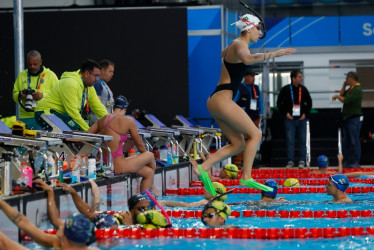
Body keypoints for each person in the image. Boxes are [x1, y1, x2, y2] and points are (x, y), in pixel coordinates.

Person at [193, 13, 295, 195]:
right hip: (222, 100)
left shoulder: (236, 44)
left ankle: (204, 167)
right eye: (258, 29)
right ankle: (246, 176)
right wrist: (277, 53)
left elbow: (222, 53)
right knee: (255, 134)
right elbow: (247, 59)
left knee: (238, 144)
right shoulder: (240, 44)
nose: (260, 32)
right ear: (249, 28)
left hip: (216, 100)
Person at [87, 95, 158, 195]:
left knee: (148, 172)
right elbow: (139, 144)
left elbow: (87, 136)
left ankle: (144, 200)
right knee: (150, 155)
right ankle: (152, 186)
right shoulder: (128, 120)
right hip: (118, 166)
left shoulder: (102, 120)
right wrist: (144, 158)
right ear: (125, 109)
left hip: (105, 164)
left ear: (113, 107)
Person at [35, 59, 108, 132]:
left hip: (59, 113)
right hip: (44, 112)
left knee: (75, 130)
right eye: (96, 75)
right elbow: (73, 113)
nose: (97, 79)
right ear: (86, 74)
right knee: (74, 131)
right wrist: (89, 131)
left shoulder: (89, 87)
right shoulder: (71, 83)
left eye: (99, 76)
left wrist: (110, 121)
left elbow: (98, 107)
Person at [0, 197, 97, 249]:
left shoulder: (60, 243)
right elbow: (23, 222)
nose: (60, 225)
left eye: (63, 225)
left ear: (64, 235)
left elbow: (4, 244)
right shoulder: (61, 244)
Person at [12, 50, 59, 130]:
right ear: (27, 62)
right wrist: (20, 95)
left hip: (45, 117)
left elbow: (58, 97)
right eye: (30, 64)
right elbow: (14, 95)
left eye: (35, 64)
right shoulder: (22, 75)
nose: (32, 67)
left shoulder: (51, 75)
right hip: (26, 117)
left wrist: (42, 95)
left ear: (40, 62)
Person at [276, 70, 312, 169]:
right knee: (290, 141)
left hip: (301, 119)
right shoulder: (286, 89)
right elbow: (279, 103)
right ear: (293, 78)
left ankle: (301, 160)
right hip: (290, 120)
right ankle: (290, 161)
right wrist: (285, 113)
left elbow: (309, 103)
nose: (301, 78)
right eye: (299, 77)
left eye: (301, 76)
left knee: (302, 140)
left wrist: (305, 114)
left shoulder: (303, 89)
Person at [332, 71, 363, 168]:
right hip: (347, 119)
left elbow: (345, 99)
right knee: (347, 142)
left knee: (355, 141)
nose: (346, 80)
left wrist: (337, 96)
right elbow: (342, 94)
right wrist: (344, 85)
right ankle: (348, 161)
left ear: (351, 78)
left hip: (354, 119)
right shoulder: (350, 88)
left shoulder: (357, 89)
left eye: (347, 79)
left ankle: (356, 161)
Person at [160, 182, 228, 208]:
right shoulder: (222, 205)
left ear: (213, 194)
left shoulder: (205, 202)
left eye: (207, 189)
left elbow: (187, 205)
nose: (205, 190)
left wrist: (165, 202)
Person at [90, 60, 115, 125]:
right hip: (99, 122)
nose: (112, 74)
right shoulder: (97, 83)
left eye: (113, 71)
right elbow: (96, 104)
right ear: (102, 70)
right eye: (110, 71)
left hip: (106, 120)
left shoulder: (104, 84)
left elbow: (108, 104)